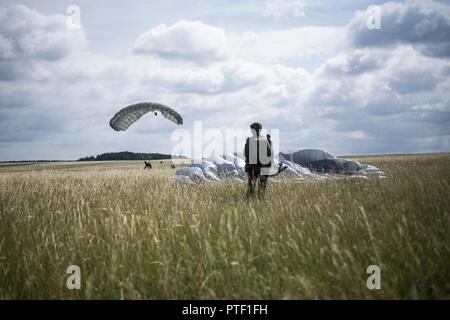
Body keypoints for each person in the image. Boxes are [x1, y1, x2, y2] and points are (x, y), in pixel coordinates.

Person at [244, 122, 273, 199]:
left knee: (251, 188)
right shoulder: (266, 140)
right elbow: (270, 154)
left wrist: (248, 166)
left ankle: (249, 202)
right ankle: (260, 201)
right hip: (263, 167)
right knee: (262, 188)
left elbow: (246, 154)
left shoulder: (250, 140)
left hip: (253, 168)